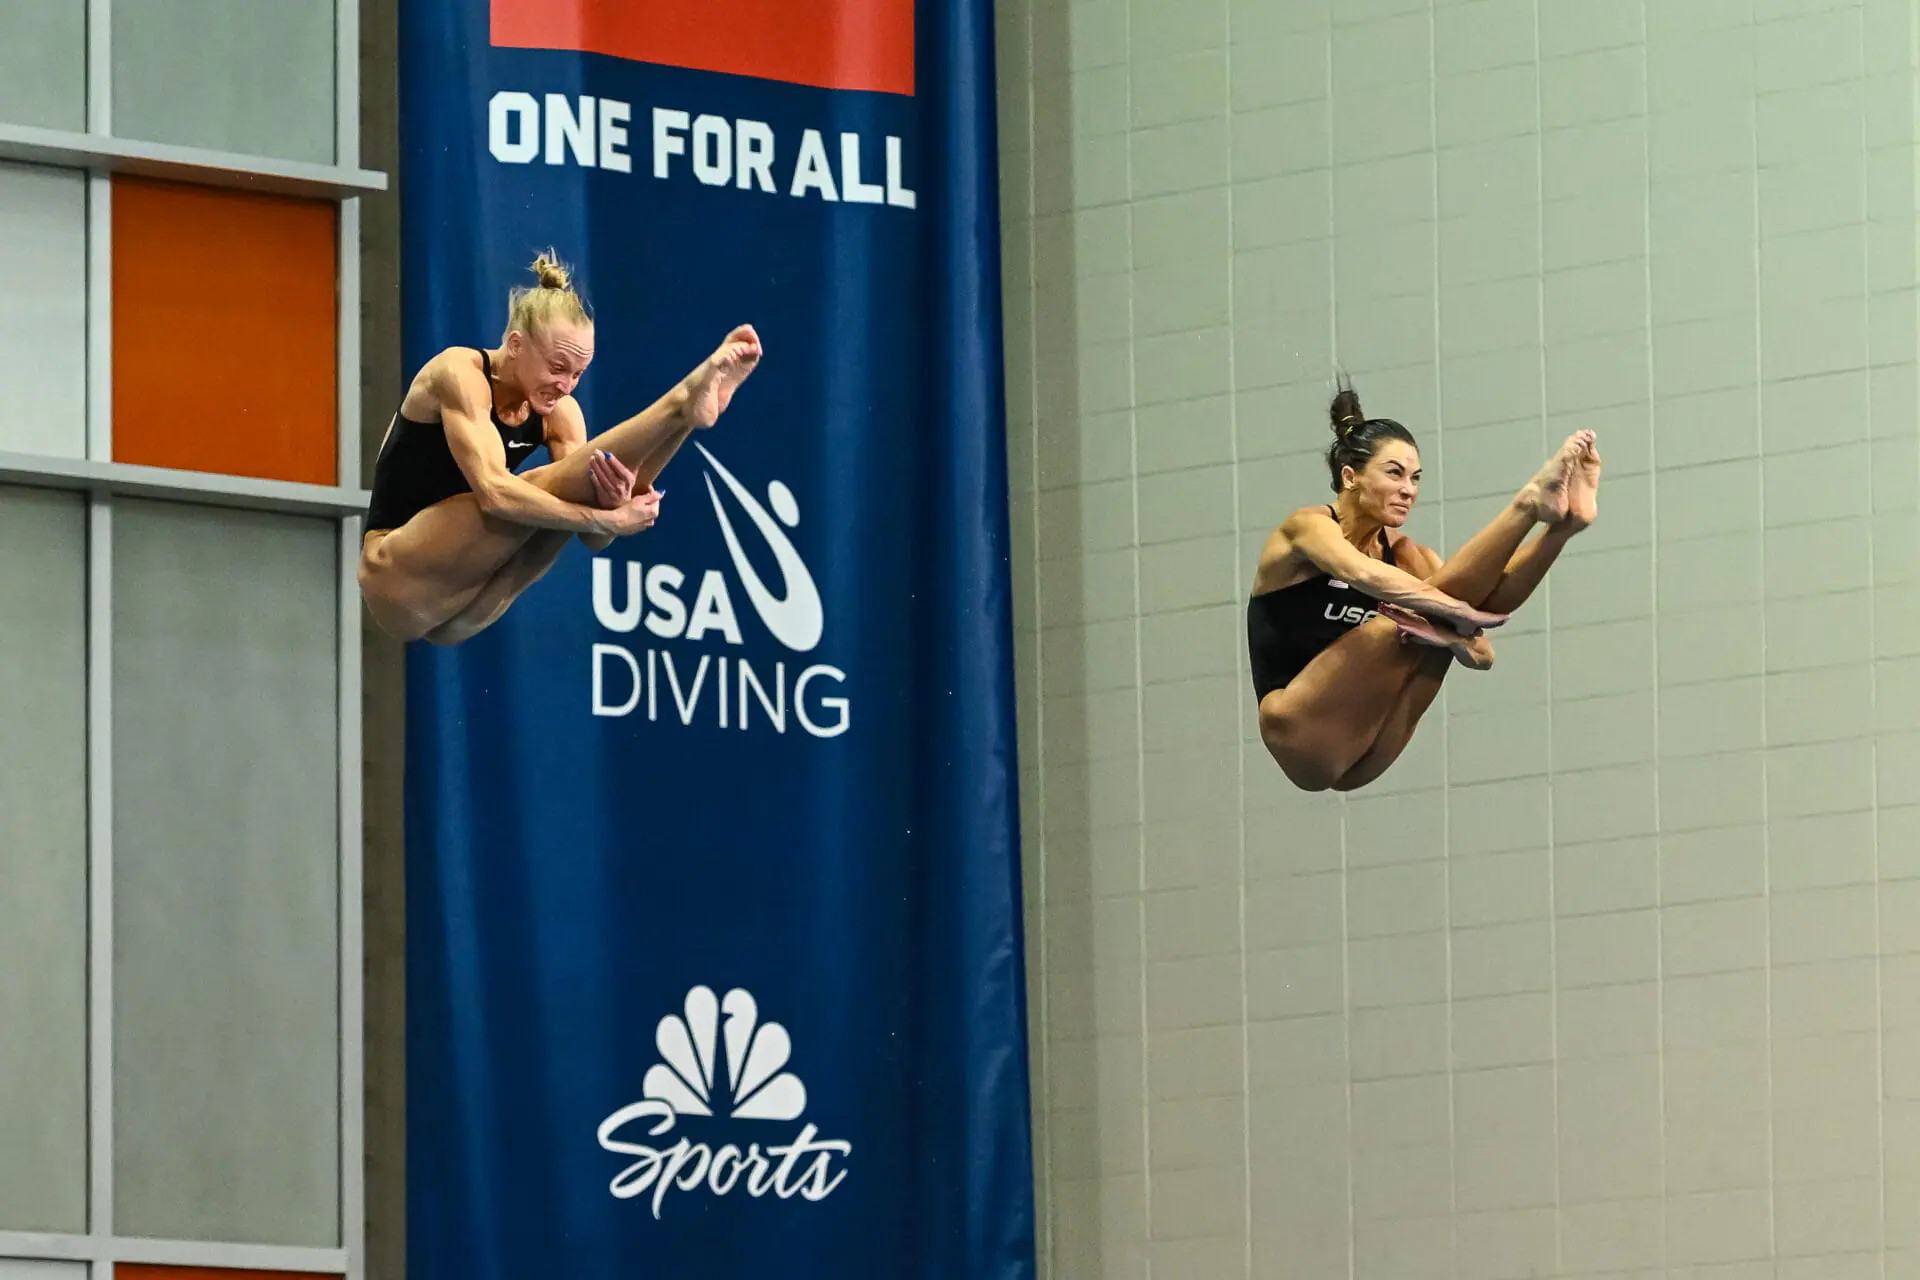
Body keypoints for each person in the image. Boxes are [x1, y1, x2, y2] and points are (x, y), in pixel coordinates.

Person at [358, 251, 762, 644]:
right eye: (556, 368)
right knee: (537, 487)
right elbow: (496, 495)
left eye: (578, 374)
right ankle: (678, 405)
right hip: (396, 574)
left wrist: (612, 506)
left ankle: (684, 419)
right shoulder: (459, 373)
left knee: (575, 495)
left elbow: (592, 539)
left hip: (465, 610)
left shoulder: (561, 412)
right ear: (516, 344)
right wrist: (604, 519)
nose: (566, 386)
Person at [1247, 384, 1602, 792]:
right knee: (1402, 617)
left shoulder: (1407, 556)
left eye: (1415, 478)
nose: (1409, 490)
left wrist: (1451, 627)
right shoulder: (1306, 528)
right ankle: (1526, 503)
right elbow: (1362, 574)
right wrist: (1450, 615)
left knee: (1434, 619)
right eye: (1394, 473)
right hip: (1297, 732)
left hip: (1365, 754)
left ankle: (1559, 528)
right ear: (1350, 477)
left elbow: (1483, 653)